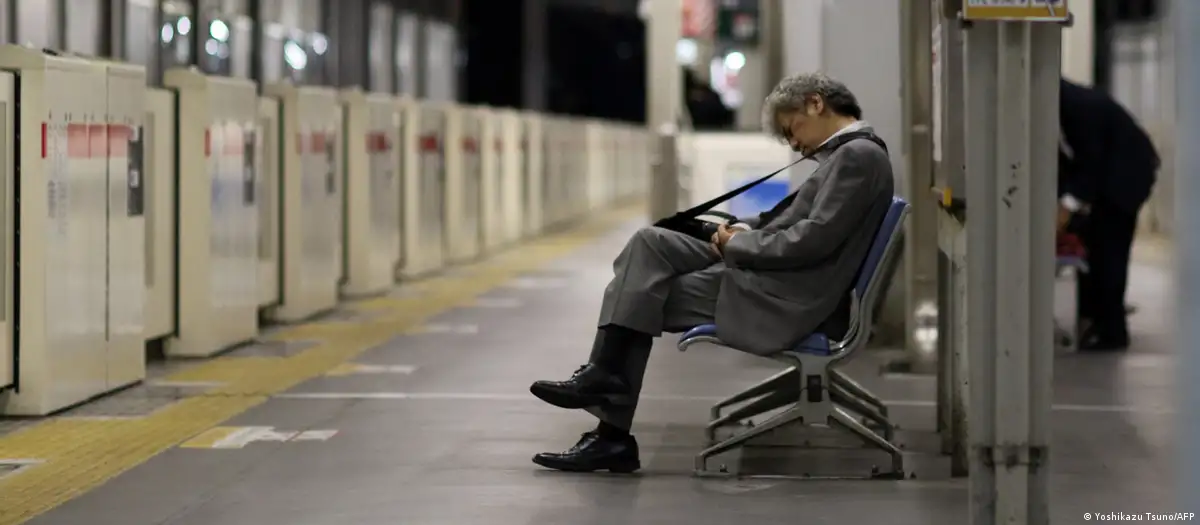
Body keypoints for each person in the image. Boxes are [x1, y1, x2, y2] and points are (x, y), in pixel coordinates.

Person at [527, 73, 896, 473]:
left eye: (792, 130)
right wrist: (739, 229)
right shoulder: (851, 154)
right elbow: (794, 224)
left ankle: (611, 430)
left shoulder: (857, 156)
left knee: (643, 294)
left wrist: (737, 245)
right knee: (649, 242)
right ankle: (604, 378)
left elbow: (811, 240)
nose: (794, 144)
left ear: (816, 104)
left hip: (787, 295)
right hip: (780, 274)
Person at [1058, 78, 1159, 351]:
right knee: (1093, 244)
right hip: (1109, 174)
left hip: (1125, 177)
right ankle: (1095, 319)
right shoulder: (1065, 104)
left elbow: (1091, 161)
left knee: (1110, 248)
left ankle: (1112, 332)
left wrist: (1067, 206)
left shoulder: (1079, 107)